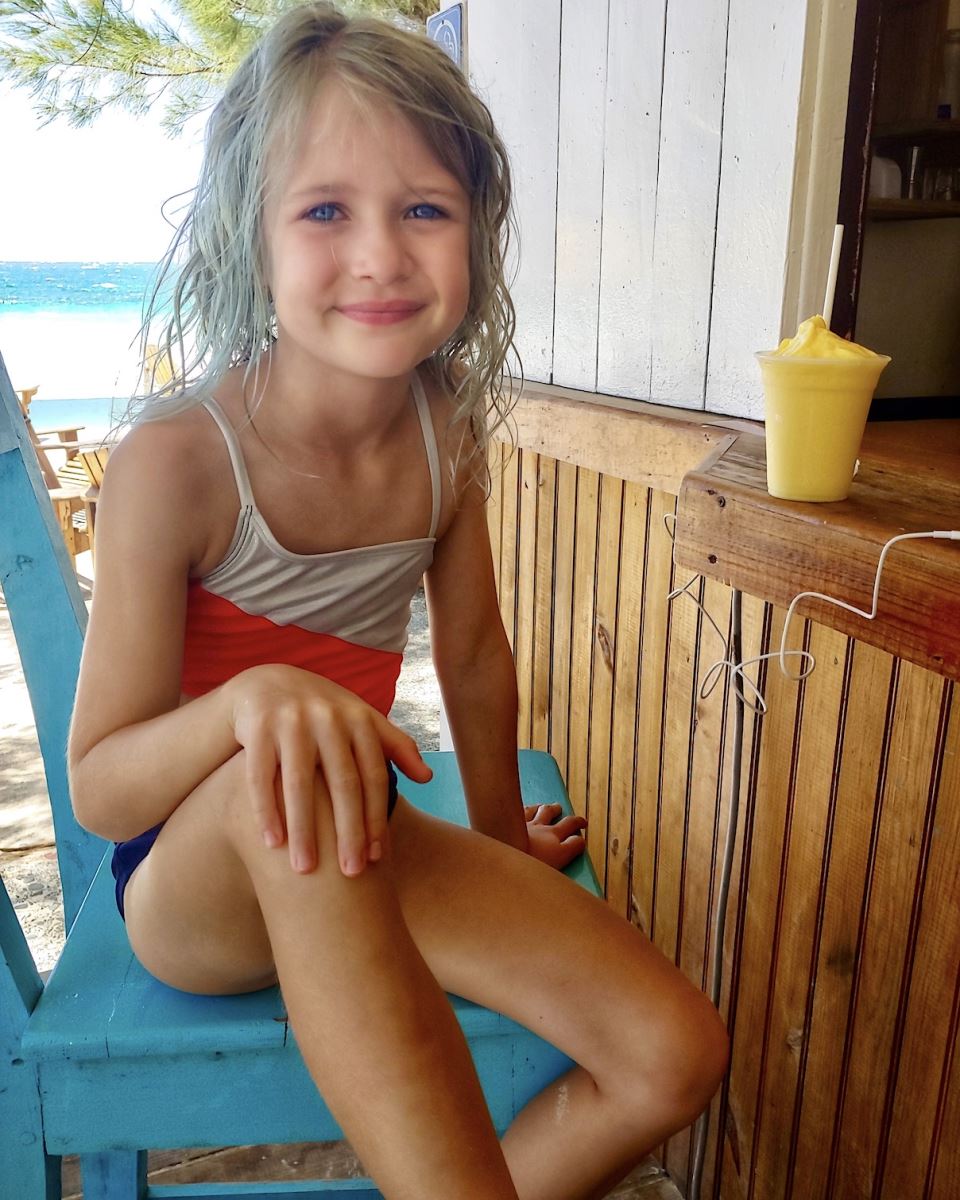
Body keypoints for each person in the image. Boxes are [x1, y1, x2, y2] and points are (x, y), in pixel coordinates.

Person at [68, 5, 728, 1197]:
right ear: (248, 237)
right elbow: (104, 784)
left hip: (365, 832)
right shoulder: (179, 459)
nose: (379, 253)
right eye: (325, 211)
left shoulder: (446, 430)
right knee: (298, 771)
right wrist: (249, 705)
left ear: (477, 230)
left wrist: (490, 841)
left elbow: (473, 658)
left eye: (424, 208)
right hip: (192, 886)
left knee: (673, 1052)